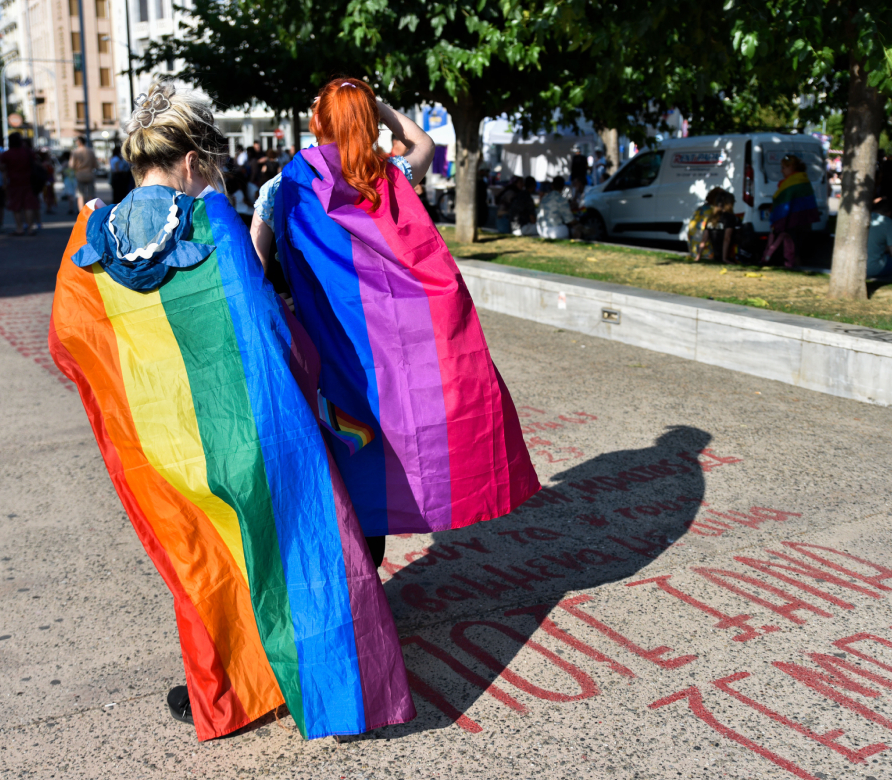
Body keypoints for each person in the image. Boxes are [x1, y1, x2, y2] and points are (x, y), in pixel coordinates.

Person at [51, 81, 416, 740]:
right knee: (296, 546)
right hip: (248, 422)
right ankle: (327, 688)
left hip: (164, 440)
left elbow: (68, 337)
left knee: (206, 563)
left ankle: (231, 691)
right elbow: (264, 326)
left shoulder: (92, 232)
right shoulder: (212, 219)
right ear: (193, 161)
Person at [250, 76, 540, 570]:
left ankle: (346, 588)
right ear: (368, 123)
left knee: (333, 461)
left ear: (317, 121)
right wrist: (376, 105)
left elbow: (256, 269)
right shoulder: (390, 176)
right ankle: (371, 572)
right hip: (385, 352)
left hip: (324, 352)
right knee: (377, 458)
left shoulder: (282, 187)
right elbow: (423, 143)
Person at [763, 154, 819, 268]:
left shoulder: (791, 182)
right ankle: (797, 267)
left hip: (791, 222)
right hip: (804, 221)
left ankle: (793, 267)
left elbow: (783, 202)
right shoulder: (804, 179)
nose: (782, 170)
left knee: (792, 248)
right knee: (798, 249)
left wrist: (778, 218)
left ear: (792, 167)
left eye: (784, 167)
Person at [0, 132, 40, 236]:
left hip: (14, 182)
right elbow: (35, 163)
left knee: (16, 206)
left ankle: (19, 228)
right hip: (29, 181)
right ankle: (30, 228)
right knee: (28, 206)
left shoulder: (7, 154)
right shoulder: (28, 152)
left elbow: (2, 169)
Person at [687, 188, 723, 261]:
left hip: (693, 244)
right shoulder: (713, 210)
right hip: (704, 245)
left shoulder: (701, 208)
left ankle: (697, 254)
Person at [69, 135, 98, 211]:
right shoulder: (90, 151)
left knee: (80, 195)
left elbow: (71, 165)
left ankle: (81, 211)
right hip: (89, 173)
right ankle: (91, 211)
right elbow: (96, 165)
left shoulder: (75, 152)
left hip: (80, 174)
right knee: (91, 194)